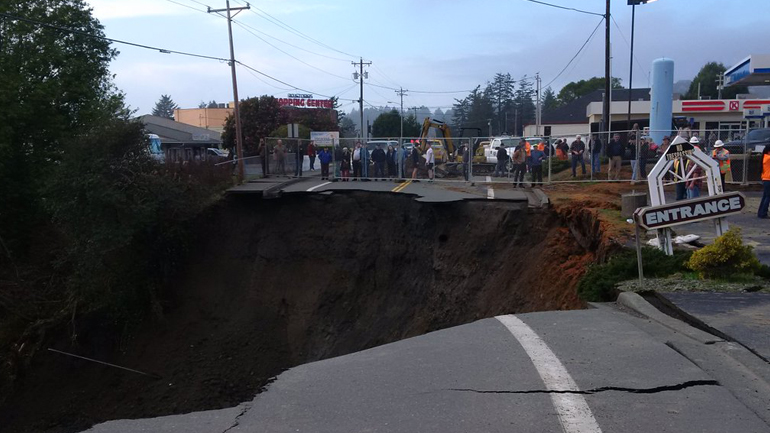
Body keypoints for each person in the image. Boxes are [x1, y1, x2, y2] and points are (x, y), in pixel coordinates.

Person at [759, 146, 770, 219]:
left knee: (765, 196)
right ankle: (763, 212)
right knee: (768, 197)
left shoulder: (765, 157)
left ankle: (761, 212)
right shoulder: (768, 158)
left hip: (765, 178)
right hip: (768, 179)